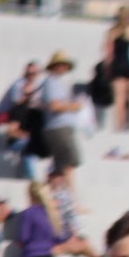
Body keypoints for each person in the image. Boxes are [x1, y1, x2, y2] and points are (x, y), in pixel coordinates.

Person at [40, 49, 85, 191]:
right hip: (59, 127)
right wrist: (74, 106)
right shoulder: (51, 82)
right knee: (68, 163)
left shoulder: (56, 82)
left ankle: (58, 193)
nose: (63, 68)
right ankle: (71, 196)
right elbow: (55, 106)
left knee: (60, 165)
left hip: (61, 127)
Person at [103, 4, 129, 134]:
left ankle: (122, 127)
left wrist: (108, 69)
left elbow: (108, 53)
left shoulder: (113, 31)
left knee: (122, 98)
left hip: (120, 65)